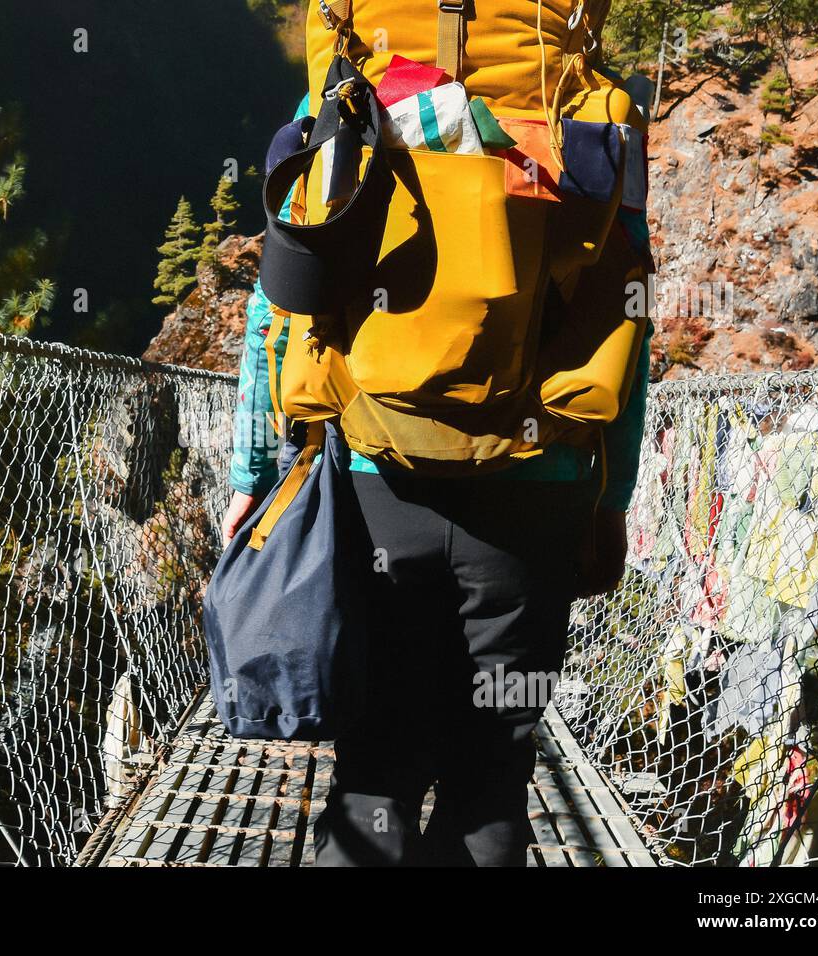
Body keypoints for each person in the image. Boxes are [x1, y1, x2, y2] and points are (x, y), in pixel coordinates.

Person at [221, 94, 654, 867]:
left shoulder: (347, 91)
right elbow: (627, 308)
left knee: (374, 773)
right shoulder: (584, 105)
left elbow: (277, 305)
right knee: (490, 780)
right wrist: (609, 500)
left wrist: (254, 474)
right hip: (536, 488)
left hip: (373, 479)